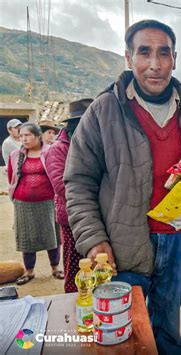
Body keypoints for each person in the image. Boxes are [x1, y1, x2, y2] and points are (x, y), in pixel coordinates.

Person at [64, 20, 181, 354]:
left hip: (180, 242)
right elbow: (78, 182)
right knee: (124, 334)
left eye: (163, 53)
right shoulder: (103, 111)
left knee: (167, 328)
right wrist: (94, 239)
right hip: (123, 246)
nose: (155, 64)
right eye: (144, 52)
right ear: (129, 57)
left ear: (175, 59)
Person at [45, 99, 93, 293]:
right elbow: (61, 186)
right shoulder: (59, 149)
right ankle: (73, 304)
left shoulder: (92, 144)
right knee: (75, 265)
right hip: (73, 217)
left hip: (97, 215)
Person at [7, 123, 63, 285]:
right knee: (27, 238)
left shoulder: (50, 152)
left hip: (47, 202)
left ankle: (55, 268)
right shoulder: (16, 155)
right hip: (23, 204)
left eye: (27, 135)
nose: (23, 139)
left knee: (52, 235)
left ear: (38, 136)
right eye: (21, 135)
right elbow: (12, 177)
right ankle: (29, 271)